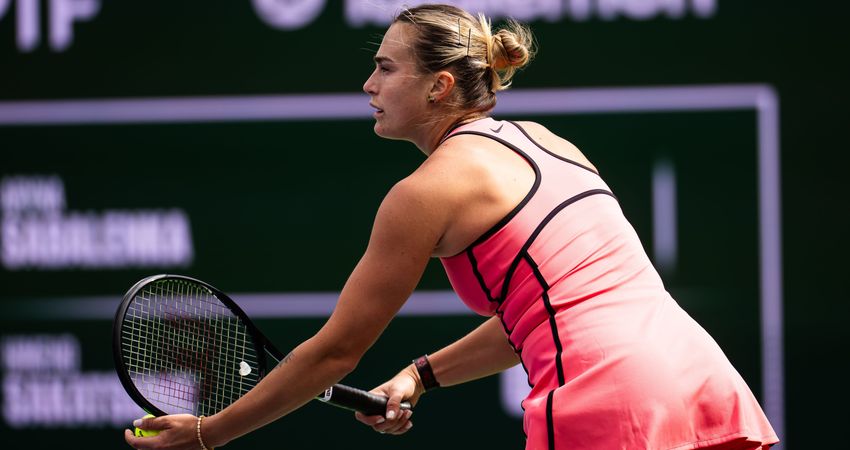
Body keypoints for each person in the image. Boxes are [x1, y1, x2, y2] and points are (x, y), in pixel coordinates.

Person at [125, 4, 779, 450]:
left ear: (438, 86)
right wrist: (419, 375)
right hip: (696, 377)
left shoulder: (424, 193)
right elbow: (548, 312)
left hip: (611, 396)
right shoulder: (548, 141)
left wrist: (211, 434)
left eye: (384, 67)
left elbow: (334, 353)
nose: (367, 84)